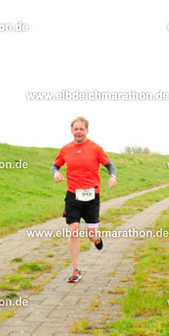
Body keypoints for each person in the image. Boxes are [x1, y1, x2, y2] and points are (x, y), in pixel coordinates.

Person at [52, 116, 117, 283]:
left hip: (91, 196)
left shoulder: (96, 148)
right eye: (76, 129)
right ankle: (76, 269)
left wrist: (112, 176)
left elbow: (109, 165)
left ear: (87, 130)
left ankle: (96, 239)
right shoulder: (66, 149)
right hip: (73, 195)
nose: (79, 132)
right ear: (71, 131)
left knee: (91, 234)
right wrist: (56, 173)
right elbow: (55, 165)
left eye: (81, 129)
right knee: (74, 230)